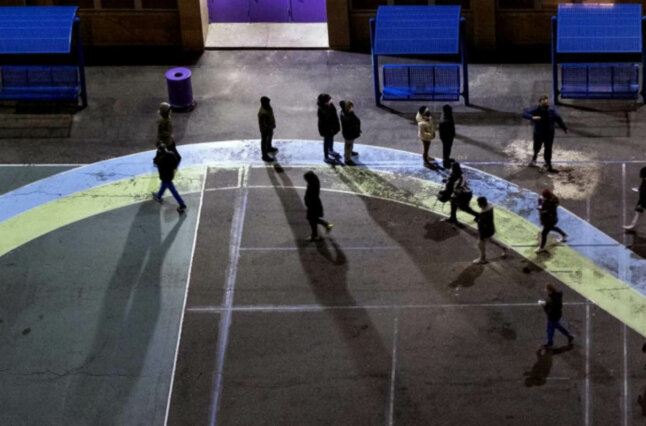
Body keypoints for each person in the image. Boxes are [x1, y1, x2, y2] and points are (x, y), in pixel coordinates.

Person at [522, 95, 567, 173]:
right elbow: (524, 113)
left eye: (546, 103)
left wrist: (564, 128)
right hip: (538, 133)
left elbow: (558, 119)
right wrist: (532, 117)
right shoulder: (535, 109)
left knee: (548, 149)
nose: (545, 105)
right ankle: (534, 158)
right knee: (537, 147)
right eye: (543, 103)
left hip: (549, 134)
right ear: (540, 103)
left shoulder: (552, 111)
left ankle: (548, 164)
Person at [152, 143, 187, 214]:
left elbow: (155, 162)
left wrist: (157, 154)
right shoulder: (171, 154)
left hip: (165, 177)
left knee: (173, 190)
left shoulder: (160, 159)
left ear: (160, 150)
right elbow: (177, 160)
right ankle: (159, 196)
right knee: (164, 185)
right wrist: (173, 167)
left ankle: (182, 204)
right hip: (170, 175)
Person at [473, 196, 508, 264]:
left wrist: (481, 236)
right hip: (491, 228)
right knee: (491, 239)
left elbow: (482, 226)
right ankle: (504, 247)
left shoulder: (483, 215)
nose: (478, 205)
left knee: (480, 244)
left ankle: (483, 258)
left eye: (478, 203)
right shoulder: (489, 207)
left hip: (486, 231)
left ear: (481, 204)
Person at [538, 283, 574, 348]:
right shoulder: (557, 295)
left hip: (553, 316)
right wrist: (546, 304)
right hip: (557, 315)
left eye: (547, 290)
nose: (546, 291)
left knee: (550, 330)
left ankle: (550, 343)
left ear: (550, 290)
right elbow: (551, 304)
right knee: (557, 326)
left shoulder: (552, 300)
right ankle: (569, 336)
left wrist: (544, 306)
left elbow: (549, 311)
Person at [303, 170, 333, 241]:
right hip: (315, 204)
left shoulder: (312, 186)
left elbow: (310, 196)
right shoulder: (314, 182)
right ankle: (326, 225)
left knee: (311, 219)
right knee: (313, 219)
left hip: (313, 205)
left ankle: (315, 234)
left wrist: (308, 203)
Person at [535, 188, 567, 254]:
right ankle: (564, 235)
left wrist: (540, 207)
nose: (542, 197)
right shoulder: (554, 199)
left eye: (544, 196)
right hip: (553, 219)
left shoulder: (547, 204)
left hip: (548, 220)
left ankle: (541, 248)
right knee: (552, 228)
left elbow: (542, 210)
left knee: (544, 234)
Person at [317, 94, 341, 163]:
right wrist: (330, 128)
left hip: (331, 128)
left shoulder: (330, 105)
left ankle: (331, 150)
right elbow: (324, 122)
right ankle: (326, 157)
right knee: (326, 141)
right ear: (324, 102)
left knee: (331, 138)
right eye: (328, 100)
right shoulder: (322, 110)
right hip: (326, 129)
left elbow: (334, 115)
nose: (330, 101)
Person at [623, 166, 646, 231]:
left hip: (643, 200)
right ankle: (632, 225)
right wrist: (639, 189)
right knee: (638, 212)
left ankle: (632, 225)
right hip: (642, 201)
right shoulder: (644, 181)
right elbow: (642, 188)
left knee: (638, 212)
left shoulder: (644, 180)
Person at [339, 100, 361, 166]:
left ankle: (350, 152)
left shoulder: (348, 112)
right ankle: (347, 159)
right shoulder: (345, 115)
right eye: (350, 107)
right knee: (348, 145)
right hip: (348, 133)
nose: (351, 108)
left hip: (352, 132)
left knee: (350, 144)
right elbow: (350, 122)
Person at [258, 96, 278, 162]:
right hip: (265, 130)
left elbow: (271, 116)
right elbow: (264, 124)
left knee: (270, 137)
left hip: (270, 127)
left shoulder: (268, 108)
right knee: (264, 141)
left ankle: (269, 147)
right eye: (268, 102)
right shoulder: (263, 112)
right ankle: (264, 155)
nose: (269, 103)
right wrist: (270, 127)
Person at [439, 104, 455, 169]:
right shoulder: (446, 120)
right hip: (447, 137)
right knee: (446, 149)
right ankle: (445, 161)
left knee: (447, 148)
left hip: (448, 136)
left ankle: (447, 158)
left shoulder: (446, 116)